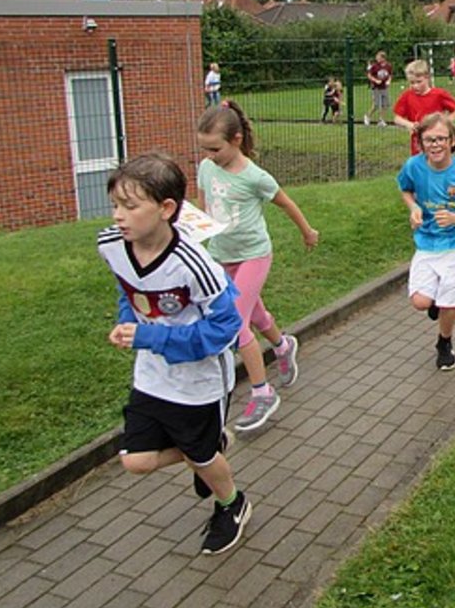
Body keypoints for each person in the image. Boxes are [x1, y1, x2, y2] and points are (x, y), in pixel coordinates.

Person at [97, 152, 251, 556]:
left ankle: (231, 503)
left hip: (199, 381)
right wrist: (126, 322)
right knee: (136, 460)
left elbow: (224, 328)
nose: (119, 216)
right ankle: (208, 448)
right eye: (115, 205)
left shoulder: (195, 265)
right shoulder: (112, 244)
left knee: (202, 458)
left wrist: (151, 337)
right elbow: (129, 289)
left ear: (166, 209)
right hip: (151, 376)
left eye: (130, 206)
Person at [197, 101, 320, 432]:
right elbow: (204, 207)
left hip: (253, 255)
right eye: (205, 149)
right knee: (256, 315)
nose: (209, 155)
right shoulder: (206, 168)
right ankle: (283, 345)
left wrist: (307, 232)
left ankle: (262, 393)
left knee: (234, 323)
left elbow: (286, 203)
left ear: (236, 140)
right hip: (221, 256)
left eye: (215, 149)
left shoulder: (255, 176)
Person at [397, 113, 455, 370]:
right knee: (420, 302)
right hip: (426, 242)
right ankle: (435, 302)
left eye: (441, 139)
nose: (435, 145)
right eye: (429, 140)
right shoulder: (413, 166)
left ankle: (444, 342)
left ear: (452, 141)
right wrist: (414, 207)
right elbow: (405, 189)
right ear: (421, 143)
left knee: (449, 301)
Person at [393, 59, 455, 154]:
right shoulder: (407, 96)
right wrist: (409, 124)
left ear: (427, 78)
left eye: (419, 82)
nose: (415, 86)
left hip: (437, 141)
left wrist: (444, 124)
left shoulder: (439, 94)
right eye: (412, 83)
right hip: (418, 143)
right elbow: (397, 118)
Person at [363, 50, 393, 127]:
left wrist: (389, 81)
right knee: (376, 105)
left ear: (383, 58)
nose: (377, 59)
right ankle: (367, 116)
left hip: (384, 87)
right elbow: (369, 75)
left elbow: (390, 75)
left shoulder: (388, 66)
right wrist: (375, 80)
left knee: (385, 104)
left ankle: (381, 120)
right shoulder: (375, 66)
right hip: (376, 88)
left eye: (378, 57)